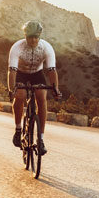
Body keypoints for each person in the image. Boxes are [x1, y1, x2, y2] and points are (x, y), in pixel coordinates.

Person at [8, 20, 62, 156]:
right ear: (25, 36)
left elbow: (52, 70)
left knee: (41, 98)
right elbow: (12, 71)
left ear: (40, 36)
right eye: (30, 37)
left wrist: (56, 89)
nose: (33, 40)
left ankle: (41, 139)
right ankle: (18, 129)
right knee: (20, 96)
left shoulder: (46, 48)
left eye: (36, 37)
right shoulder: (17, 47)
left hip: (37, 74)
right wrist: (11, 89)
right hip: (20, 74)